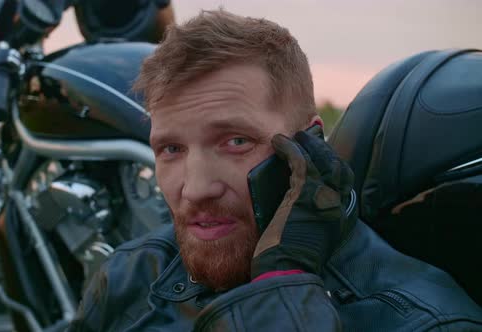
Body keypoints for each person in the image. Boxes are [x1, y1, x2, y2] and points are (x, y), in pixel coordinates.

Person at [68, 10, 482, 331]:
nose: (195, 189)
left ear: (310, 147)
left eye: (235, 142)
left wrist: (281, 278)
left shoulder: (425, 322)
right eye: (171, 148)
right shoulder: (131, 273)